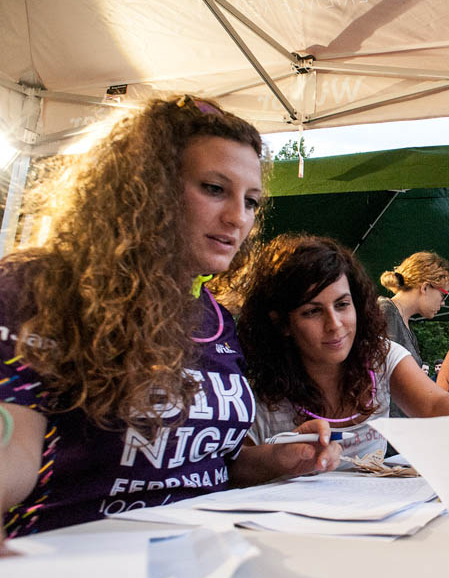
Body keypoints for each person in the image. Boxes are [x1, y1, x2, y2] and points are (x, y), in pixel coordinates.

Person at [0, 96, 338, 543]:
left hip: (206, 555)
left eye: (252, 201)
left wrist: (279, 460)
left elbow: (214, 464)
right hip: (73, 559)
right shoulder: (41, 286)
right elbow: (13, 451)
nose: (238, 217)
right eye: (214, 188)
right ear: (144, 188)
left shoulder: (217, 317)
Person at [233, 235, 449, 466]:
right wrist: (280, 459)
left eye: (342, 304)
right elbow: (233, 469)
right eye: (312, 311)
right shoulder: (256, 391)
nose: (335, 325)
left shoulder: (381, 356)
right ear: (281, 323)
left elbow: (434, 404)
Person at [378, 251, 449, 416]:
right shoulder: (386, 312)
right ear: (425, 287)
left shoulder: (404, 324)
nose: (443, 303)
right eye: (443, 294)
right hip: (385, 427)